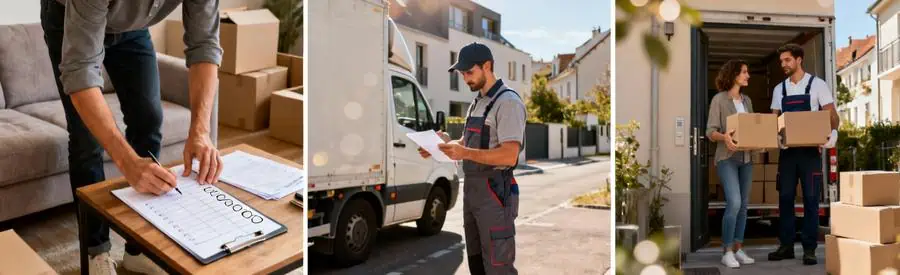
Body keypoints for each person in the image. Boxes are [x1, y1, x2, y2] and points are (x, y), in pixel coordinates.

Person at [40, 0, 224, 274]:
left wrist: (201, 131)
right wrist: (127, 163)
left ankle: (137, 248)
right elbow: (79, 73)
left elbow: (205, 44)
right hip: (68, 18)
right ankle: (95, 252)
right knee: (86, 139)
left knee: (149, 119)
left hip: (132, 28)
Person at [418, 42, 526, 275]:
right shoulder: (477, 103)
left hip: (496, 194)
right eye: (462, 73)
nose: (465, 78)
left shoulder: (508, 102)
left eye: (469, 72)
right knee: (477, 265)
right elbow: (466, 143)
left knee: (498, 268)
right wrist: (441, 145)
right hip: (473, 193)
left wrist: (465, 153)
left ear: (487, 66)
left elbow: (509, 155)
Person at [766, 43, 839, 265]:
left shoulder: (818, 85)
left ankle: (809, 249)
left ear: (799, 59)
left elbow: (832, 116)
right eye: (781, 61)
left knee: (810, 200)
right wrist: (777, 137)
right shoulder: (780, 89)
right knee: (785, 199)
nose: (783, 65)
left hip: (810, 154)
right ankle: (786, 246)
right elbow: (774, 118)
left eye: (787, 60)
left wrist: (833, 134)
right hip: (788, 153)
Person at [706, 59, 757, 268]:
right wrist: (725, 137)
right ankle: (726, 250)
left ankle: (738, 248)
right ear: (734, 75)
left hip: (747, 158)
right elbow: (710, 131)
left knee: (744, 206)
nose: (748, 76)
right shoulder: (719, 100)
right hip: (727, 158)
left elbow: (752, 128)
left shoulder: (747, 101)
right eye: (744, 72)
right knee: (734, 202)